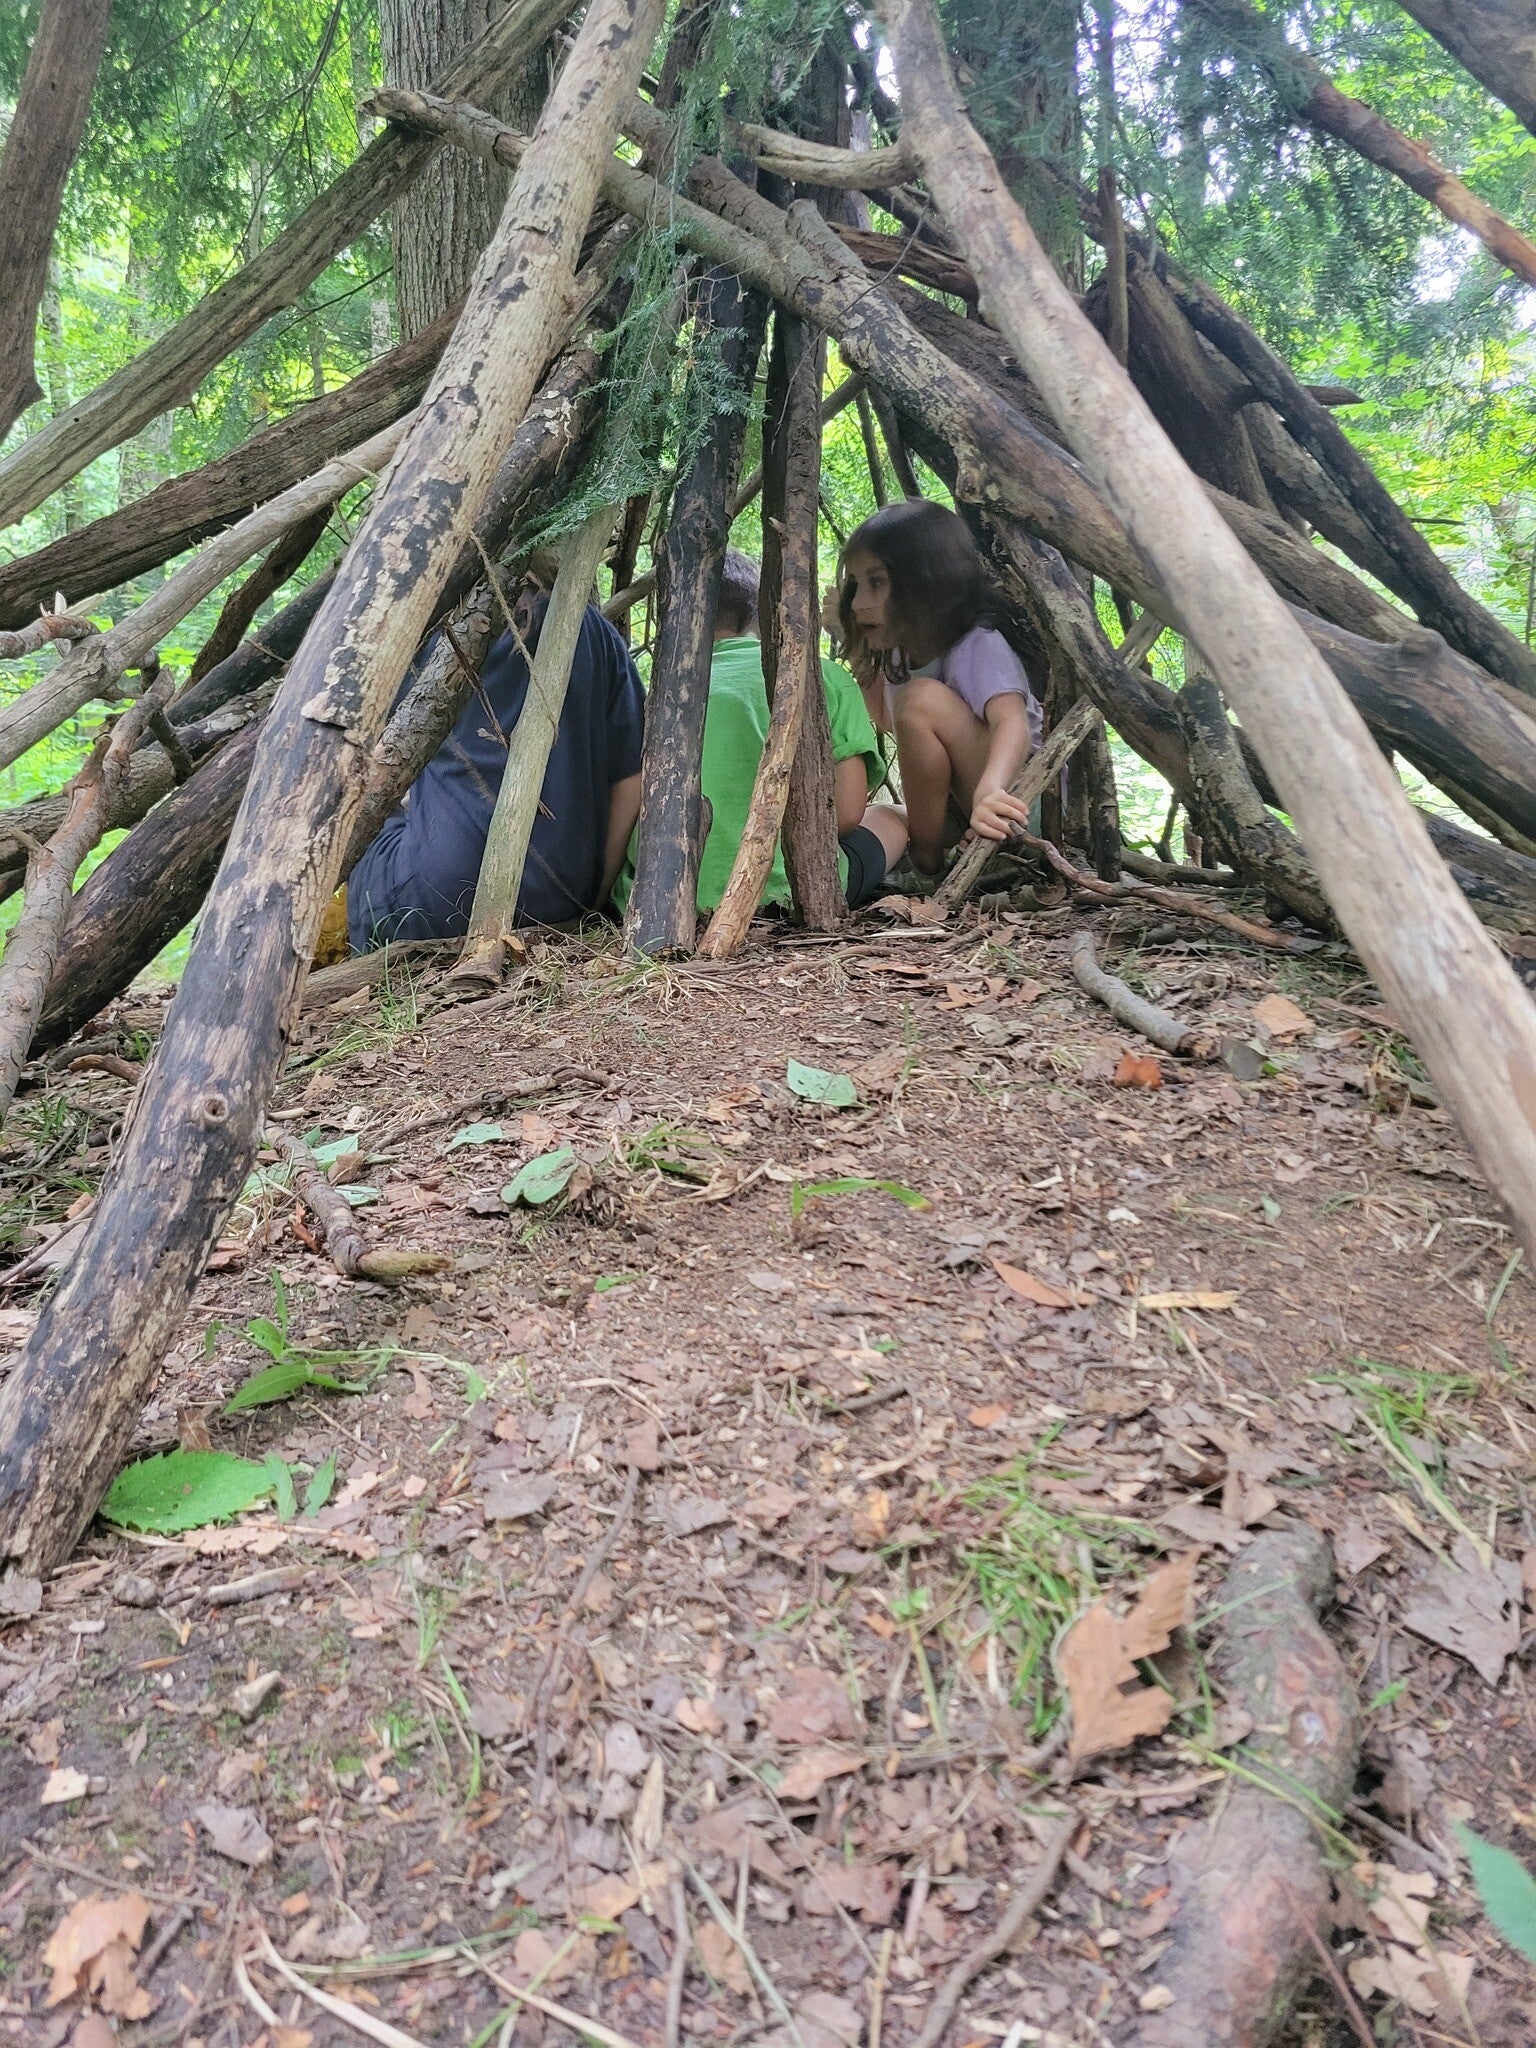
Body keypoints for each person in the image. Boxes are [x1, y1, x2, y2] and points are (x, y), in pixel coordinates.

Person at [348, 559, 644, 949]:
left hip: (432, 906)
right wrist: (593, 896)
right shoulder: (592, 631)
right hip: (564, 897)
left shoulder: (418, 635)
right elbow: (631, 778)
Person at [619, 549, 907, 919]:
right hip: (792, 893)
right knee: (893, 816)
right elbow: (848, 814)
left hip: (659, 905)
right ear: (761, 612)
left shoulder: (657, 697)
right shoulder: (822, 677)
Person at [837, 501, 1042, 876]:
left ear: (926, 583)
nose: (857, 603)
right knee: (881, 813)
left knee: (919, 699)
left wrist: (990, 792)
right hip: (966, 810)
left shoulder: (977, 643)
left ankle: (925, 864)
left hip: (1013, 804)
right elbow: (890, 721)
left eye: (876, 583)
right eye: (855, 584)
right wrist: (855, 646)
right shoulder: (902, 655)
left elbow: (1013, 723)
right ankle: (933, 857)